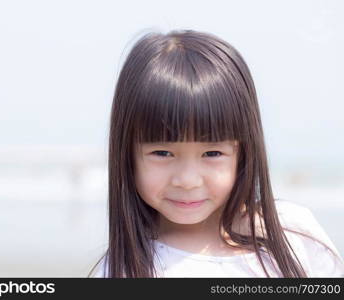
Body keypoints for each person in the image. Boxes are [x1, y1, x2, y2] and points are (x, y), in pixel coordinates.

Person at [88, 29, 344, 278]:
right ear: (127, 155)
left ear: (244, 151)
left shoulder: (293, 233)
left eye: (212, 153)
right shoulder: (124, 270)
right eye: (163, 153)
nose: (187, 180)